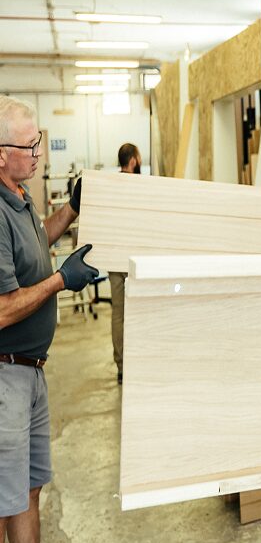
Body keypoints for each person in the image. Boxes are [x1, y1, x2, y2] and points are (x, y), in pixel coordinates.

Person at [0, 96, 99, 543]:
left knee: (26, 489)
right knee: (1, 498)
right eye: (28, 145)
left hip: (30, 370)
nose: (38, 152)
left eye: (39, 141)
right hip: (5, 374)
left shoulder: (18, 197)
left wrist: (72, 209)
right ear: (0, 154)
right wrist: (64, 280)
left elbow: (41, 244)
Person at [108, 143, 141, 385]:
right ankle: (136, 361)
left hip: (112, 257)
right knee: (137, 310)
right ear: (133, 160)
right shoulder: (136, 186)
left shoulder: (109, 186)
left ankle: (122, 366)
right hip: (131, 259)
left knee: (118, 312)